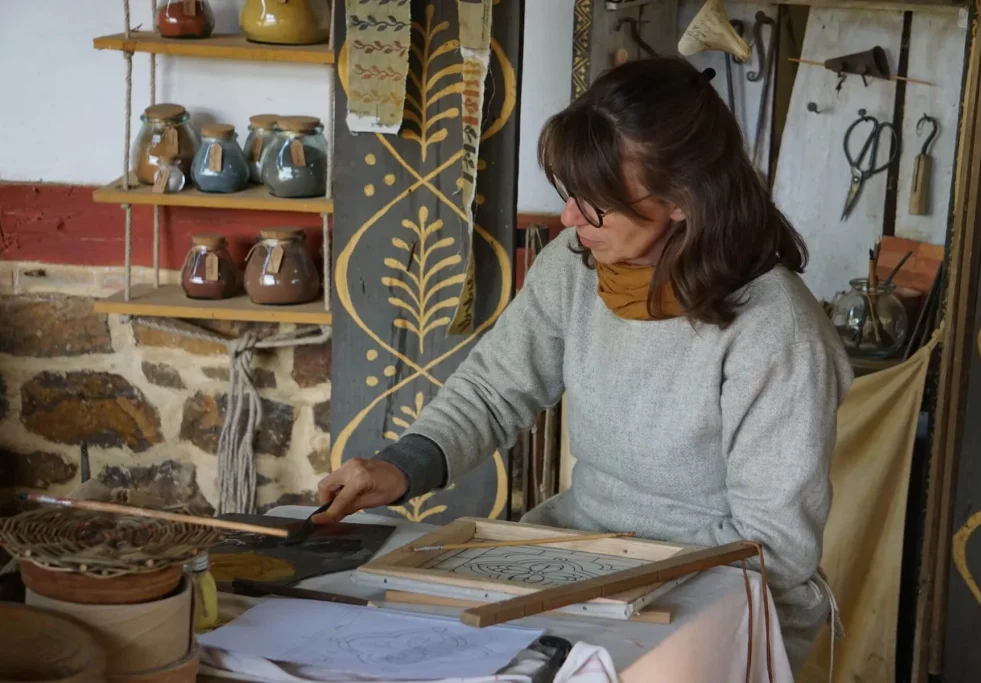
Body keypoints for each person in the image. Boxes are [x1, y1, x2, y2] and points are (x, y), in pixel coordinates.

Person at [314, 56, 854, 671]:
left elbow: (771, 550)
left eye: (596, 203)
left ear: (681, 199)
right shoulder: (574, 267)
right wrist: (402, 466)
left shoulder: (777, 331)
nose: (570, 219)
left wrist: (605, 577)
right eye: (569, 195)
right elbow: (494, 390)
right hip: (581, 565)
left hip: (720, 600)